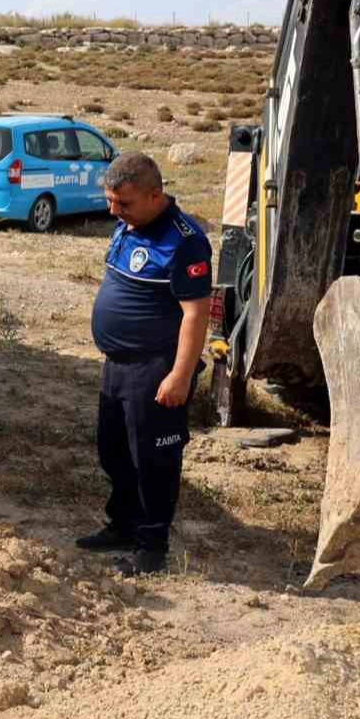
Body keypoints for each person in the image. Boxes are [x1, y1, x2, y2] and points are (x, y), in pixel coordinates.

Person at [78, 152, 212, 576]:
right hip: (117, 365)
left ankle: (152, 547)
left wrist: (180, 375)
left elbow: (196, 313)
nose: (113, 211)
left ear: (155, 195)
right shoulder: (127, 226)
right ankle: (123, 525)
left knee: (153, 461)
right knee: (114, 452)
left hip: (155, 370)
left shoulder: (184, 240)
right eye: (110, 201)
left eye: (124, 203)